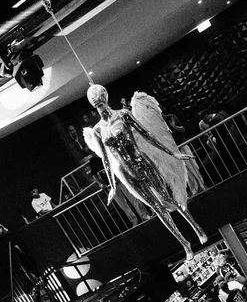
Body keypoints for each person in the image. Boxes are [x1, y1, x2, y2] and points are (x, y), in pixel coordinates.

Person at [83, 84, 207, 260]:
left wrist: (172, 152)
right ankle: (184, 244)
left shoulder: (123, 115)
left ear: (106, 98)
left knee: (168, 197)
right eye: (96, 103)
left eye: (101, 100)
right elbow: (105, 159)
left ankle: (196, 227)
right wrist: (112, 185)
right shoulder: (97, 130)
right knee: (157, 207)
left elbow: (148, 135)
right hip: (125, 171)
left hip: (142, 162)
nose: (100, 105)